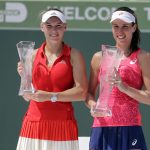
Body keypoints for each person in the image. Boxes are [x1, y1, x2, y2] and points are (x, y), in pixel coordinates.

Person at [16, 8, 87, 150]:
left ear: (65, 27)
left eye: (58, 25)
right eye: (49, 25)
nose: (54, 30)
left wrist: (50, 96)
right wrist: (24, 77)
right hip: (33, 125)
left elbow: (82, 92)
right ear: (42, 27)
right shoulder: (31, 55)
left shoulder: (74, 55)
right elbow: (26, 95)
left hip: (63, 126)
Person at [86, 6, 150, 150]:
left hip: (130, 127)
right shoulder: (98, 57)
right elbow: (89, 94)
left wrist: (123, 87)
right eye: (116, 26)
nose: (119, 31)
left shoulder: (144, 57)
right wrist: (92, 106)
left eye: (125, 26)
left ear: (134, 27)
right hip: (101, 127)